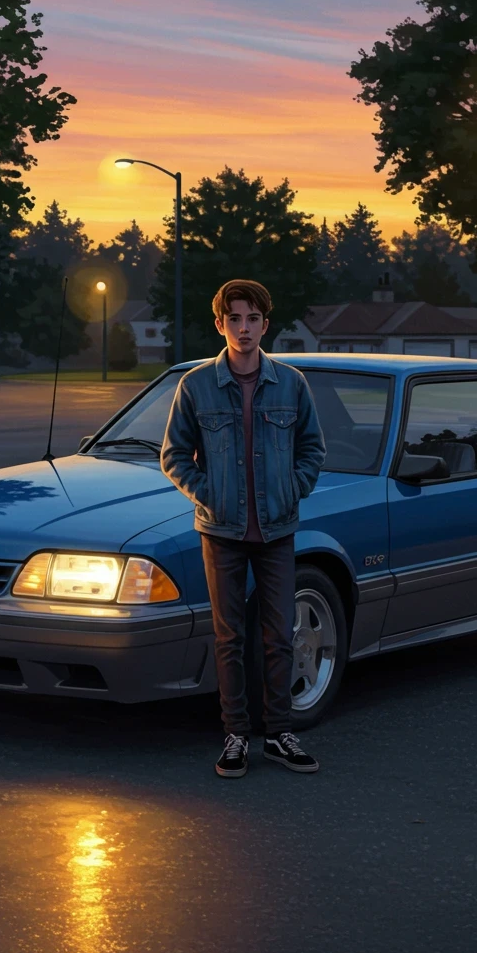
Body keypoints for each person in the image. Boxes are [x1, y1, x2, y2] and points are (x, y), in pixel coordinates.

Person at [160, 279, 327, 778]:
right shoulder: (196, 386)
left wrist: (292, 489)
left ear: (265, 324)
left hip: (277, 528)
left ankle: (278, 733)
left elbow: (312, 450)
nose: (244, 327)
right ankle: (235, 735)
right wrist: (208, 493)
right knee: (230, 637)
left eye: (253, 318)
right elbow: (173, 456)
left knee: (279, 634)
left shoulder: (292, 384)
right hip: (221, 531)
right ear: (220, 324)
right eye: (234, 318)